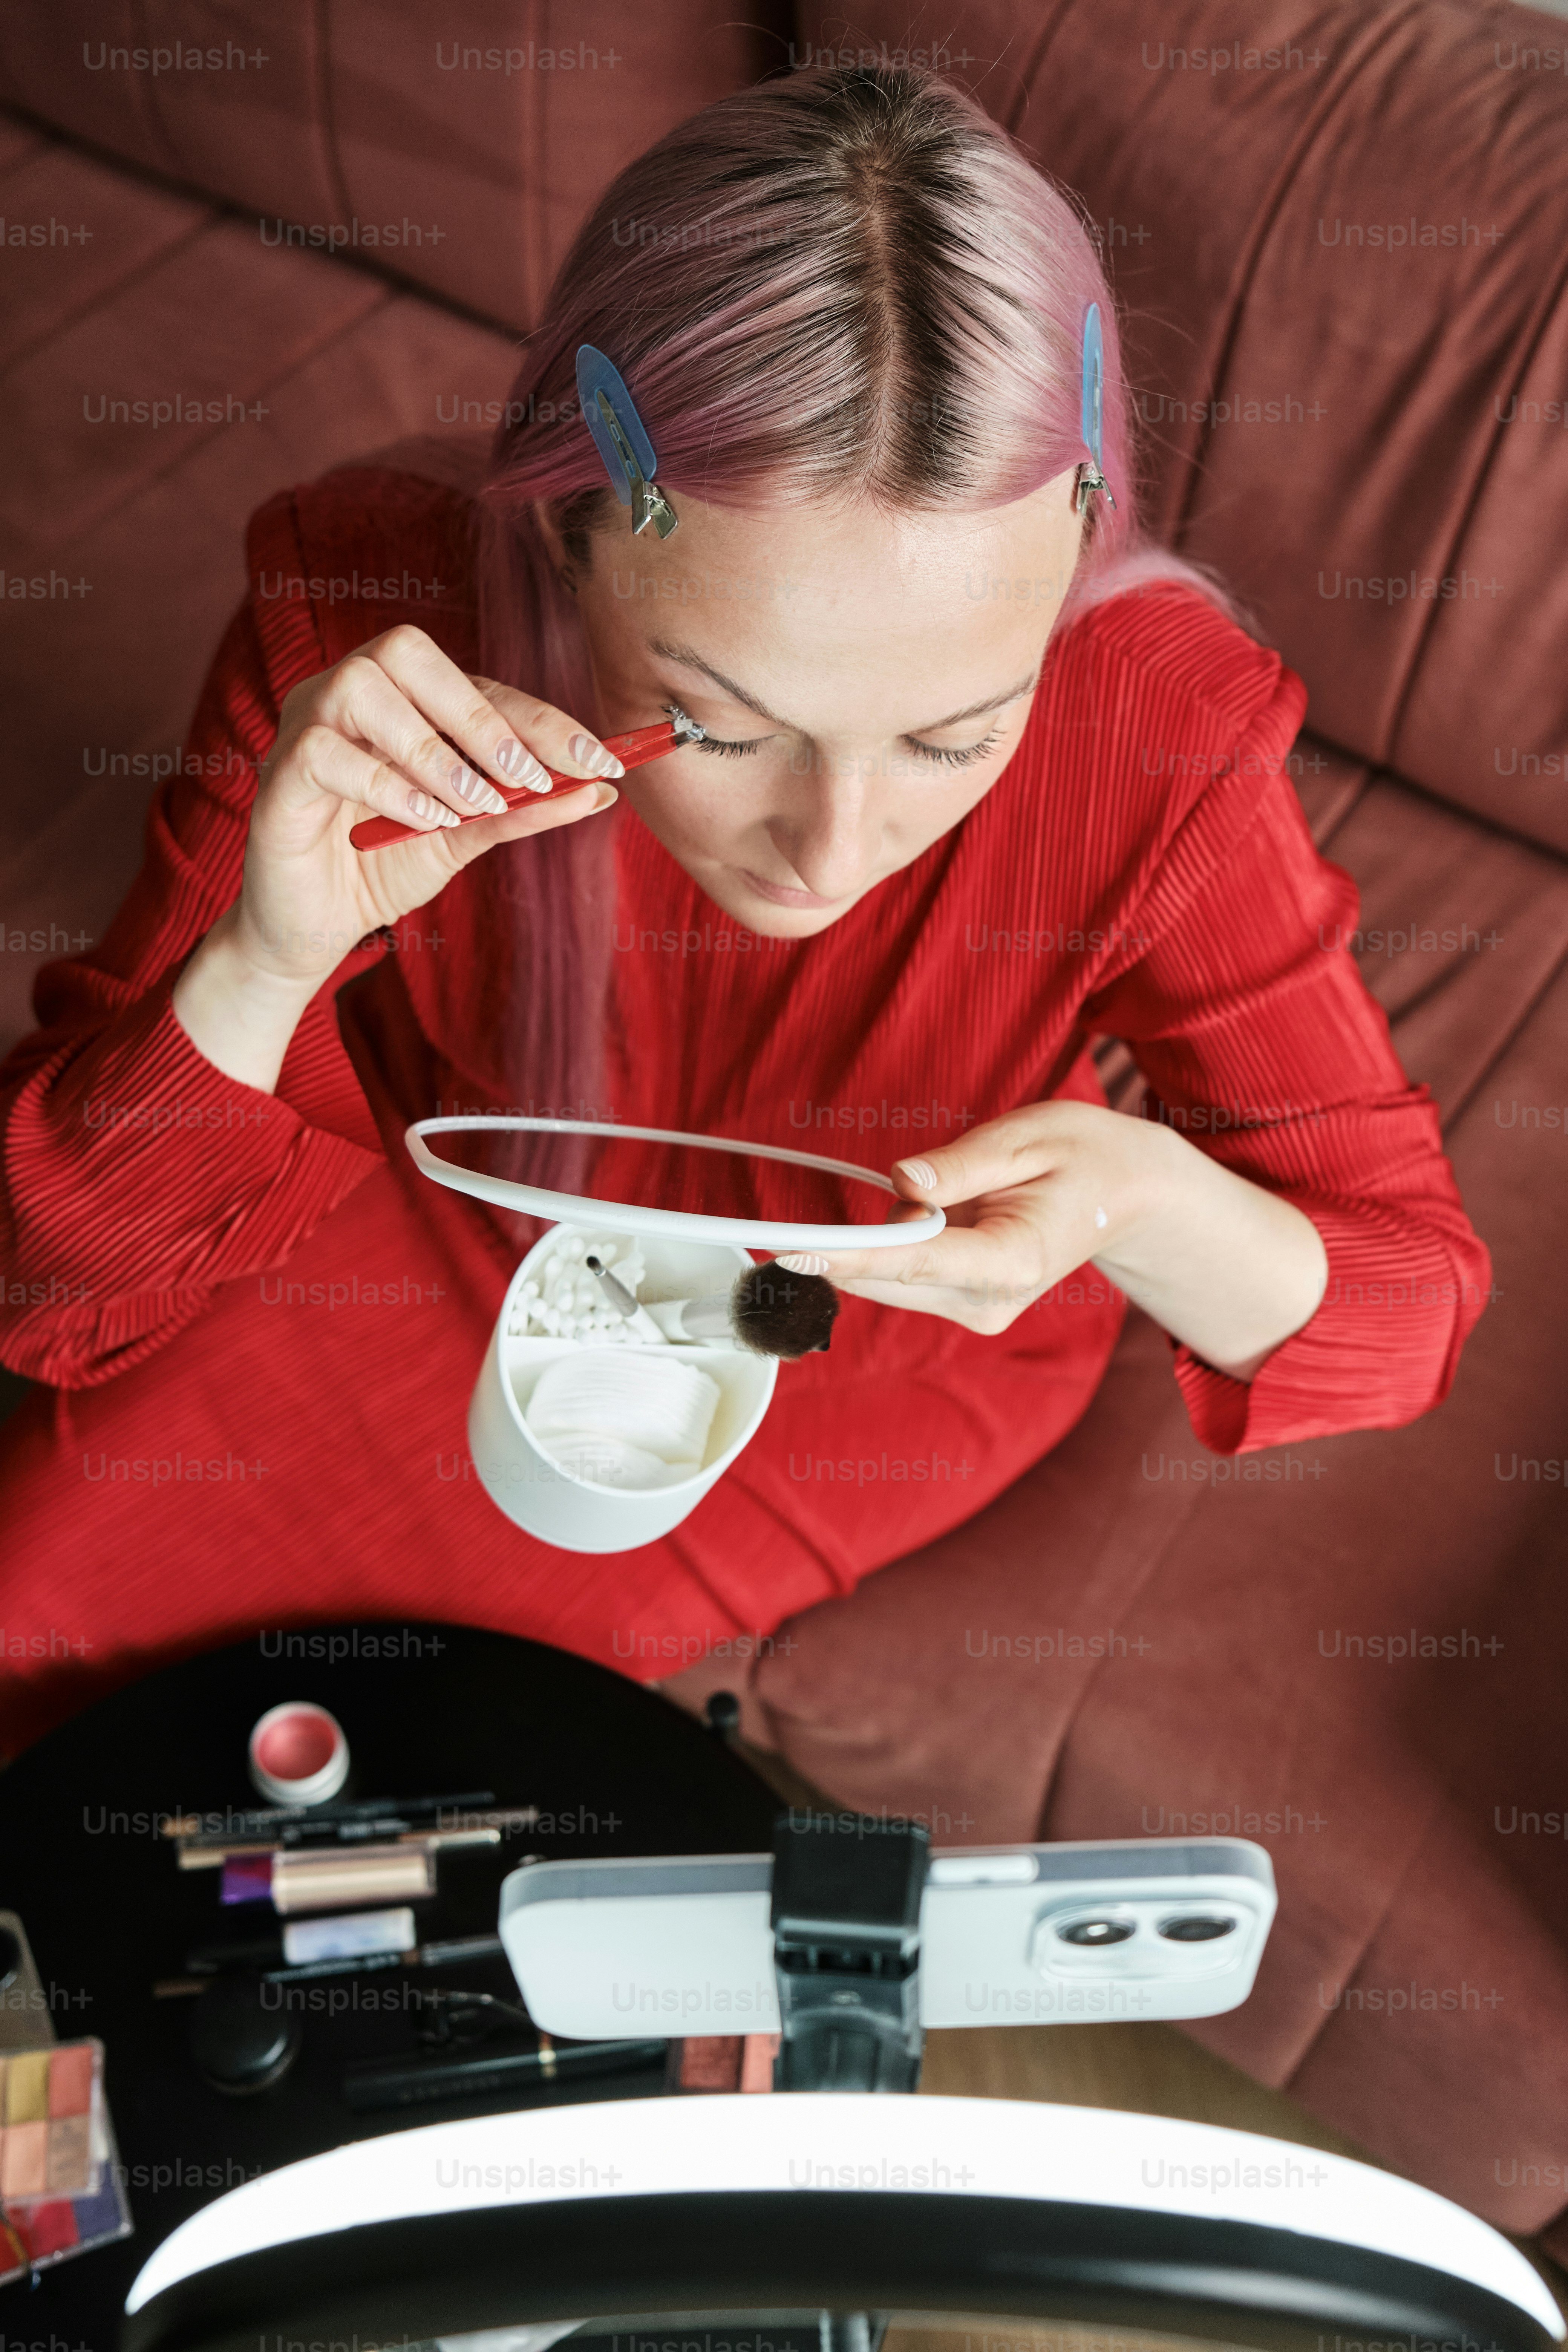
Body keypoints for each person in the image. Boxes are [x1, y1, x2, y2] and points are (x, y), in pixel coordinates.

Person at [0, 65, 1487, 1747]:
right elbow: (52, 1293)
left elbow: (1405, 1308)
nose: (828, 847)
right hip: (423, 1210)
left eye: (950, 735)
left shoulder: (1163, 733)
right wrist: (271, 957)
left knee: (410, 1764)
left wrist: (1139, 1205)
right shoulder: (362, 616)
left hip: (843, 1353)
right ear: (569, 531)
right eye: (716, 719)